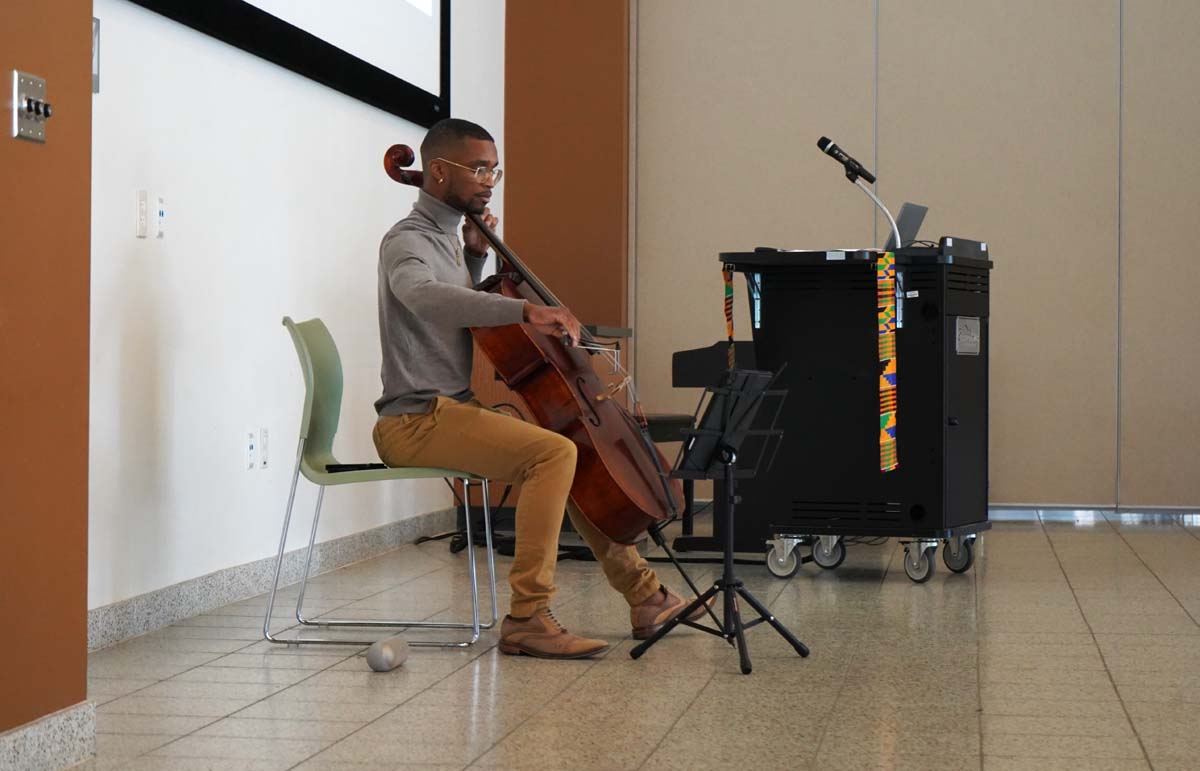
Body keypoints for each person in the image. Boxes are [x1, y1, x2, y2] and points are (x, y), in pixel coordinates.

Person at [373, 118, 702, 659]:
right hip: (414, 420)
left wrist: (477, 254)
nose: (489, 180)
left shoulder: (450, 241)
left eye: (493, 169)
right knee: (553, 454)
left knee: (565, 457)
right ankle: (528, 616)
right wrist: (524, 308)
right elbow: (424, 297)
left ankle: (644, 596)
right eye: (478, 168)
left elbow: (456, 307)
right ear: (437, 172)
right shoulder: (407, 241)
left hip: (450, 409)